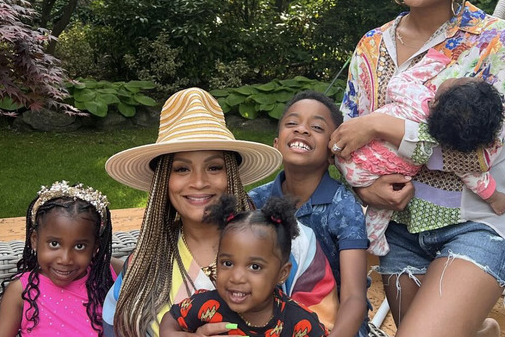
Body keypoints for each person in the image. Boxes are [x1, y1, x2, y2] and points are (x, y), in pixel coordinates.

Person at [328, 0, 505, 337]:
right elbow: (346, 137)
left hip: (475, 222)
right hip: (397, 228)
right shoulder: (372, 44)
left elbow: (483, 154)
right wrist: (362, 187)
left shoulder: (494, 39)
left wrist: (382, 126)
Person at [102, 87, 338, 337]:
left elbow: (325, 327)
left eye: (214, 167)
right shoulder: (144, 263)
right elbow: (115, 326)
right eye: (181, 169)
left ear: (231, 173)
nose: (199, 182)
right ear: (163, 181)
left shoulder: (294, 242)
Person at [335, 73, 505, 255]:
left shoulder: (418, 100)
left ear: (435, 102)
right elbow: (475, 178)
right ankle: (373, 238)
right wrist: (494, 198)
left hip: (347, 153)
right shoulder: (444, 144)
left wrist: (430, 66)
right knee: (385, 204)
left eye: (456, 80)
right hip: (369, 178)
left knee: (388, 196)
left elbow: (396, 84)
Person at [249, 91, 369, 337]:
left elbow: (354, 297)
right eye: (292, 123)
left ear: (332, 153)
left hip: (333, 324)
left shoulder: (343, 207)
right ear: (276, 144)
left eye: (316, 127)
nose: (301, 130)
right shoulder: (255, 202)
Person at [160, 194, 328, 337]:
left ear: (282, 273)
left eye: (255, 267)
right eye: (227, 263)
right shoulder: (207, 305)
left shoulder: (299, 322)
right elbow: (172, 318)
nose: (236, 277)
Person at [0, 181, 120, 337]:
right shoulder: (21, 291)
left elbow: (141, 270)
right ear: (34, 240)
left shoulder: (108, 273)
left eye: (79, 246)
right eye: (54, 244)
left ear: (95, 248)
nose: (65, 259)